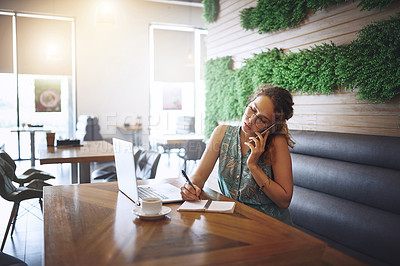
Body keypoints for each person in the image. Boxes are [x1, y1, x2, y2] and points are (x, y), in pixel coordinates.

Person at [180, 85, 295, 225]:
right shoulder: (221, 133)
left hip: (268, 225)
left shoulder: (277, 143)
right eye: (252, 109)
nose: (251, 120)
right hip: (230, 220)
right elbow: (198, 177)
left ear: (271, 127)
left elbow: (284, 201)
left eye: (262, 120)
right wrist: (191, 188)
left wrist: (253, 166)